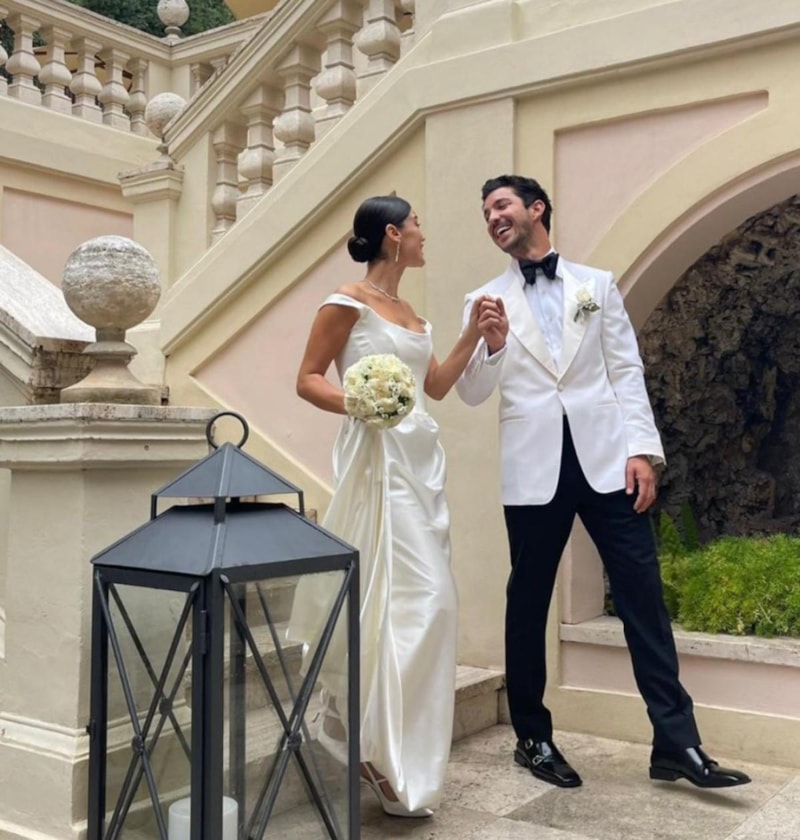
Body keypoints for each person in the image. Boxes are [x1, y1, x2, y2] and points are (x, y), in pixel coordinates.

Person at [456, 174, 751, 790]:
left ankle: (676, 742)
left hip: (607, 463)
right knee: (528, 602)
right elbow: (473, 392)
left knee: (643, 595)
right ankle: (532, 737)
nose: (492, 218)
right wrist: (491, 346)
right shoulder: (484, 299)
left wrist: (643, 451)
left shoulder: (596, 285)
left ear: (536, 208)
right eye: (485, 212)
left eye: (501, 205)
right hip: (533, 470)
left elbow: (625, 369)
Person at [290, 195, 503, 817]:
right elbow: (308, 379)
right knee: (418, 600)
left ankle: (387, 750)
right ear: (392, 233)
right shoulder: (346, 302)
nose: (422, 234)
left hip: (420, 461)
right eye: (416, 225)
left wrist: (473, 335)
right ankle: (377, 750)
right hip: (377, 465)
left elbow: (433, 386)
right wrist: (360, 403)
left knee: (421, 607)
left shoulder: (411, 314)